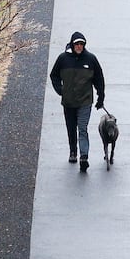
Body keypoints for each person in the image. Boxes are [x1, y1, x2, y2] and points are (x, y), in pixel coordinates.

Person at [49, 31, 105, 172]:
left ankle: (84, 156)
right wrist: (60, 90)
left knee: (82, 128)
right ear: (72, 44)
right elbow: (54, 75)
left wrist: (101, 97)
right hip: (68, 102)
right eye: (77, 44)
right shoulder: (63, 59)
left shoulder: (91, 59)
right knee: (71, 128)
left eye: (82, 44)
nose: (79, 46)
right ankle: (73, 151)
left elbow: (99, 79)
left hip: (85, 102)